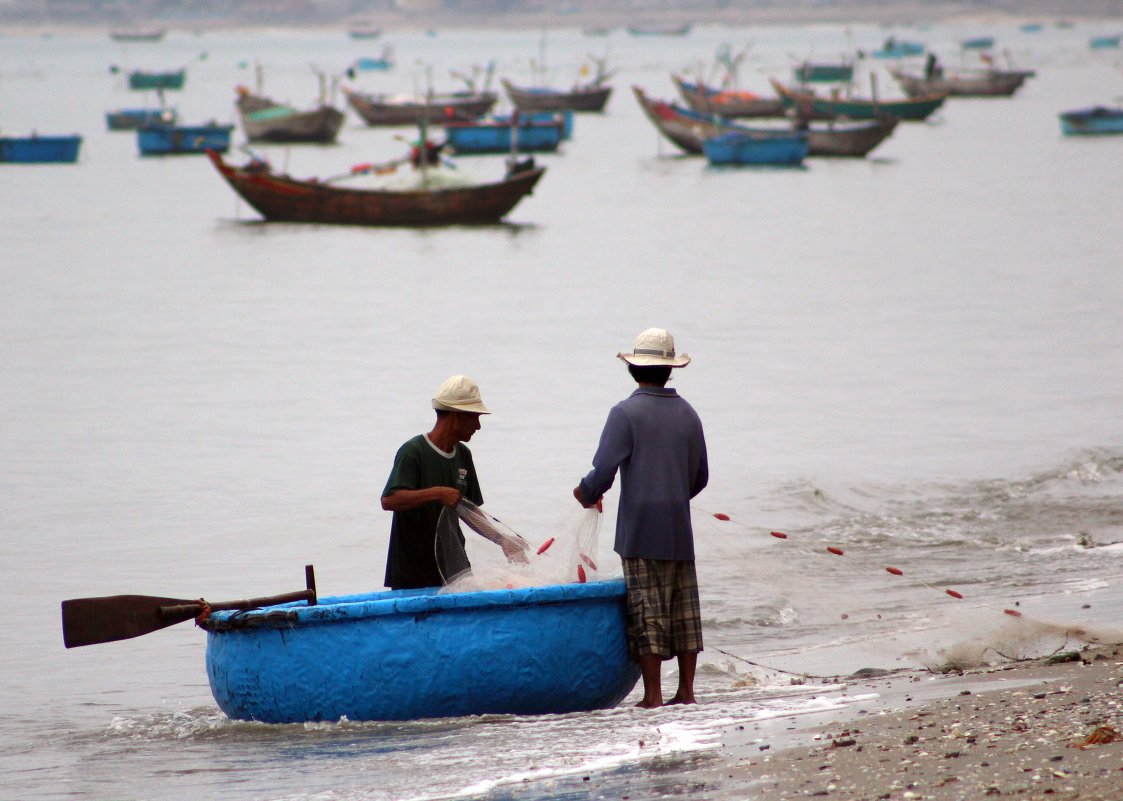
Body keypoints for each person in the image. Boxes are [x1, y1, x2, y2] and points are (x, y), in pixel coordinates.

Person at [573, 328, 709, 708]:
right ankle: (686, 692)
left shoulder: (625, 413)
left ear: (633, 369)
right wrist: (673, 497)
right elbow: (700, 477)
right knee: (683, 609)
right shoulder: (688, 413)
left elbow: (604, 469)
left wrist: (586, 493)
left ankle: (652, 695)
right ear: (669, 371)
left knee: (647, 609)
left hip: (640, 530)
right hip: (678, 529)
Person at [381, 375, 527, 591]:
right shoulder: (413, 452)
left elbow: (469, 510)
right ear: (457, 416)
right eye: (474, 418)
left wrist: (501, 538)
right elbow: (389, 499)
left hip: (455, 570)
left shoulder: (463, 455)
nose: (478, 426)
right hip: (412, 572)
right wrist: (437, 493)